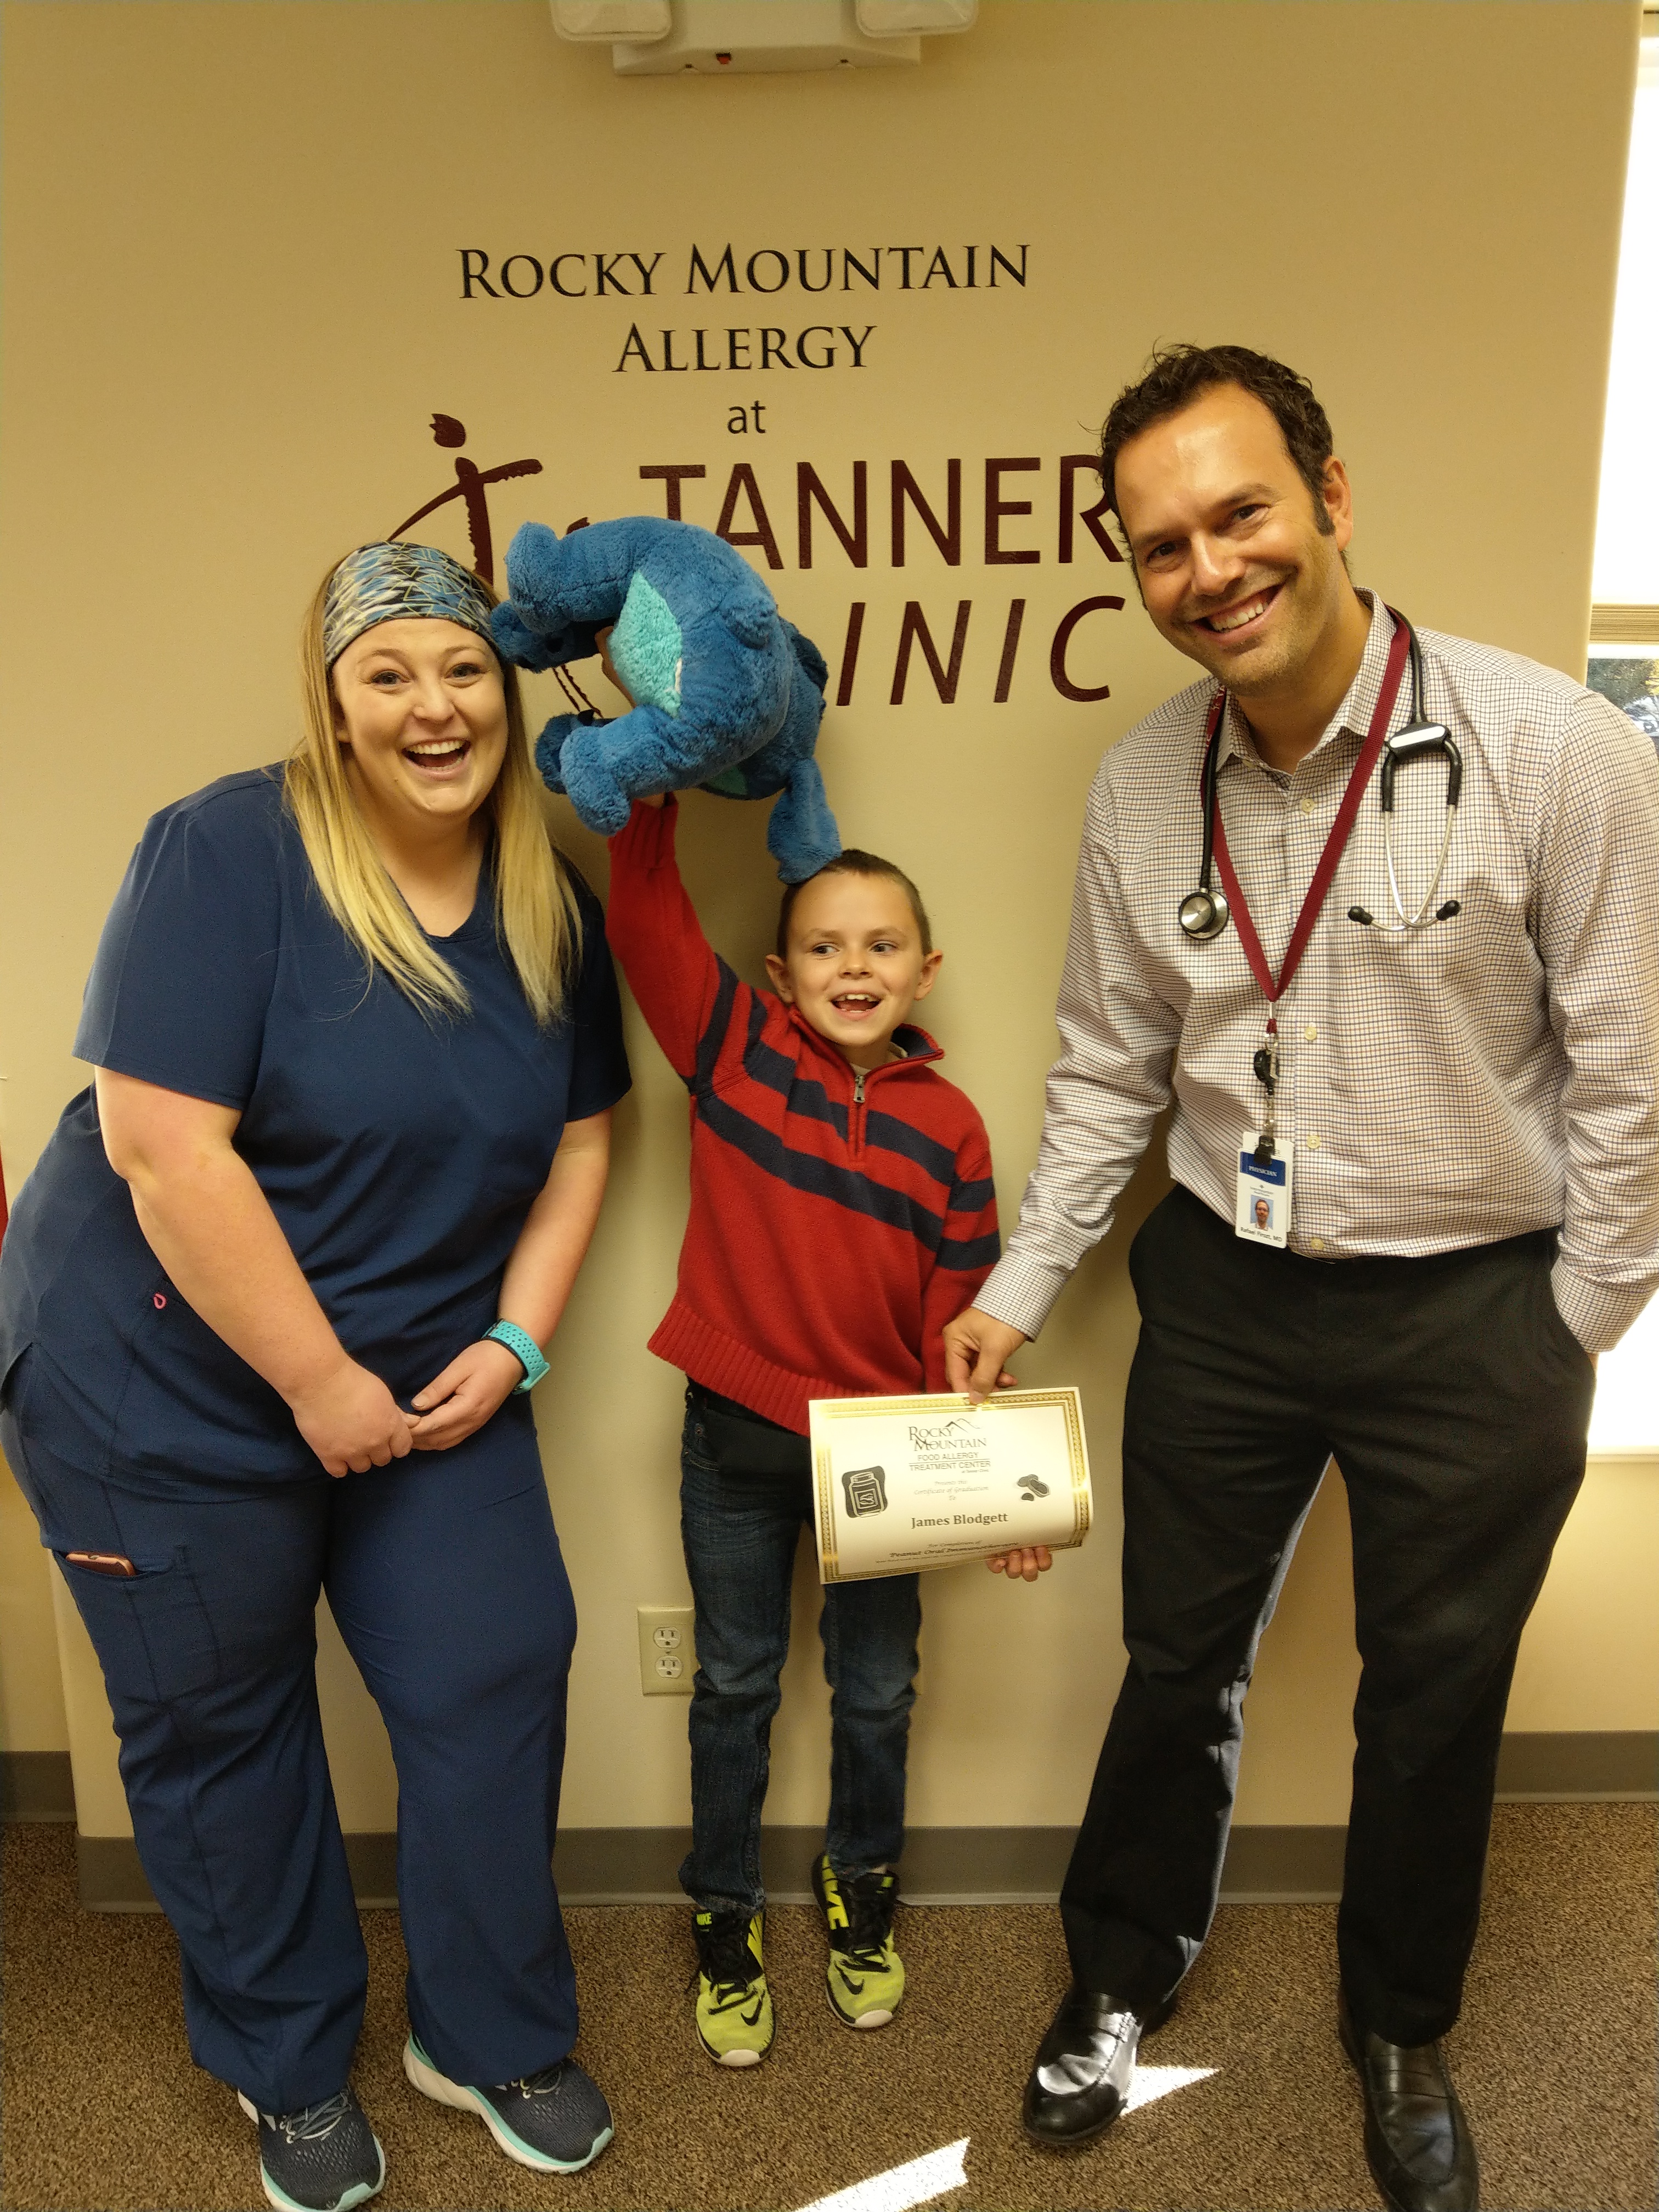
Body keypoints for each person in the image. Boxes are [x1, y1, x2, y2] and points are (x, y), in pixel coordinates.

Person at [943, 346, 1659, 2211]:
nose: (1208, 569)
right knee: (1176, 1657)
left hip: (1475, 1313)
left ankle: (1398, 2021)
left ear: (1330, 500)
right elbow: (1108, 1064)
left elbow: (1631, 1074)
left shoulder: (1552, 749)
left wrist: (1564, 1328)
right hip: (1230, 1302)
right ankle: (1117, 1975)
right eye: (1160, 543)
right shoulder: (1138, 787)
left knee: (1433, 1691)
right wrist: (1019, 1289)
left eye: (1239, 512)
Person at [0, 543, 633, 2212]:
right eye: (390, 674)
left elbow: (584, 1141)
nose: (436, 706)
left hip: (429, 1376)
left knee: (498, 1671)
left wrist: (514, 1343)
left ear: (507, 689)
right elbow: (162, 1149)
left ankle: (488, 2035)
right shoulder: (229, 849)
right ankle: (286, 2067)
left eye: (466, 671)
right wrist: (315, 1385)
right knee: (222, 1728)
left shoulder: (545, 893)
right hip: (161, 1379)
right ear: (336, 703)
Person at [604, 785, 1000, 2066]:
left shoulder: (955, 1129)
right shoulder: (736, 1052)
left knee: (876, 1694)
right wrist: (646, 793)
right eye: (825, 946)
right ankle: (725, 1916)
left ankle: (860, 1894)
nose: (854, 967)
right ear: (780, 974)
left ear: (925, 969)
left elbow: (962, 1340)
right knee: (734, 1688)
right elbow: (649, 923)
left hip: (882, 1462)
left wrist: (1000, 1495)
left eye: (882, 945)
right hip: (733, 1436)